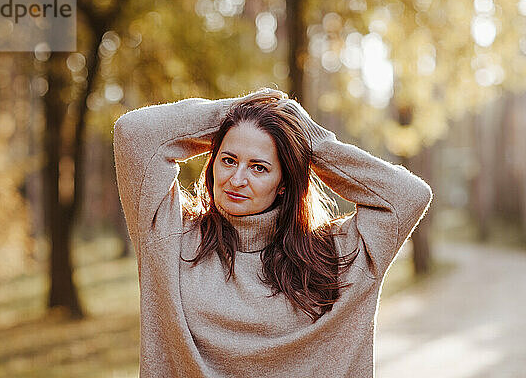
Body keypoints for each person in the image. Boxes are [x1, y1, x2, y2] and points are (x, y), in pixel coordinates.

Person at [113, 88, 433, 377]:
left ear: (283, 184)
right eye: (228, 159)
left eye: (259, 167)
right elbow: (134, 133)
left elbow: (407, 195)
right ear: (211, 165)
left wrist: (309, 139)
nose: (236, 179)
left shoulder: (338, 256)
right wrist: (240, 109)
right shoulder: (170, 236)